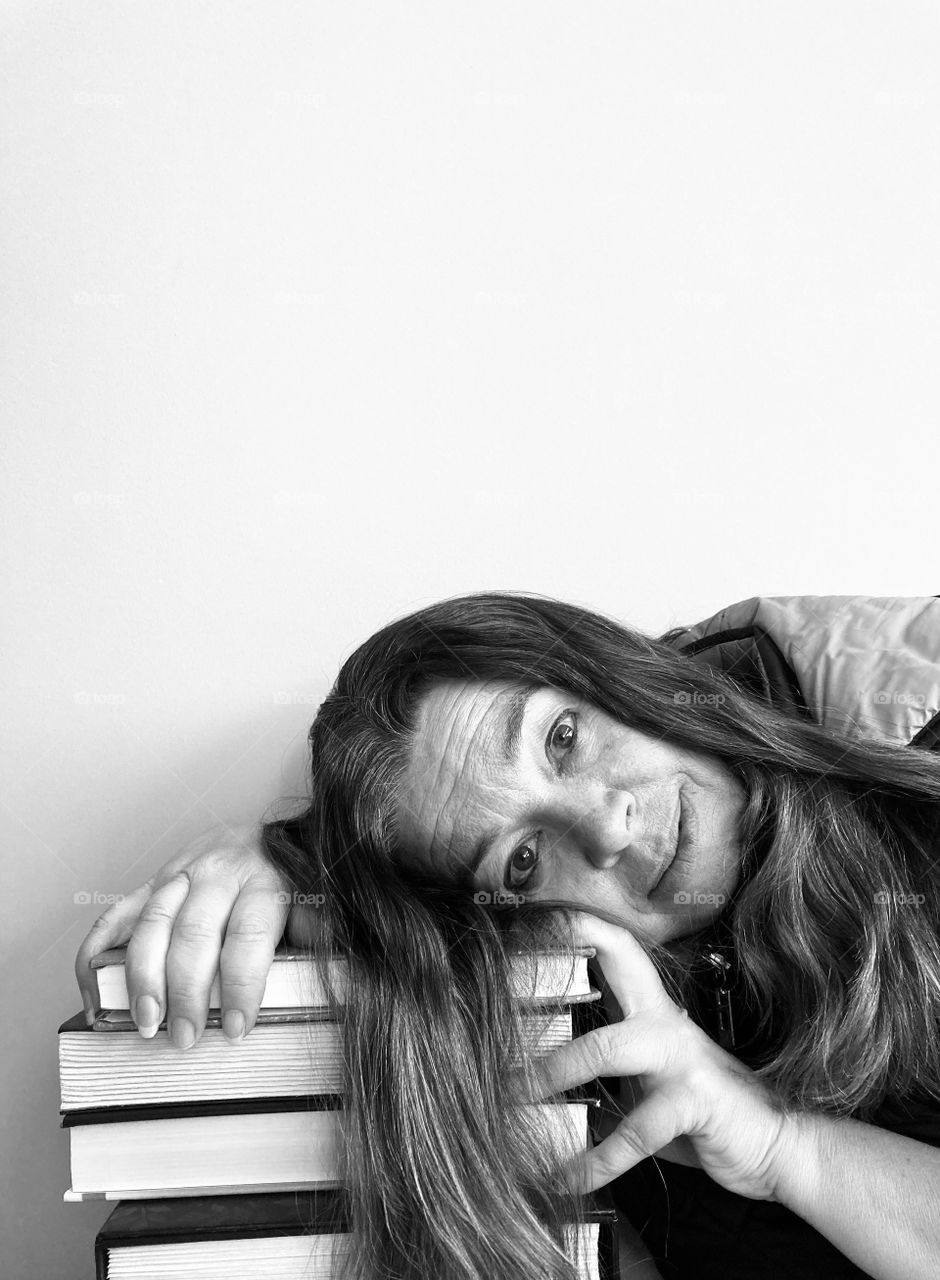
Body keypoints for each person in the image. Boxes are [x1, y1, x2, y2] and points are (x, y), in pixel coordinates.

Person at [75, 591, 940, 1280]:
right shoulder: (608, 1061)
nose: (607, 825)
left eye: (562, 738)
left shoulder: (900, 726)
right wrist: (290, 861)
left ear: (616, 674)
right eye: (523, 862)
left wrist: (795, 1147)